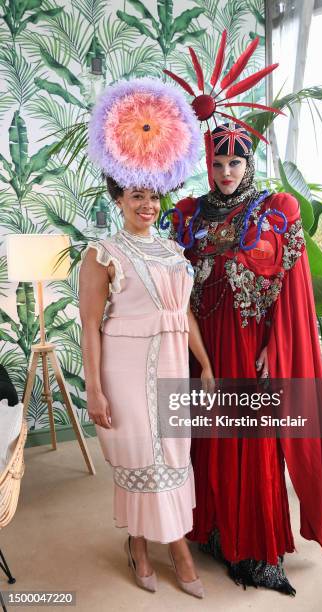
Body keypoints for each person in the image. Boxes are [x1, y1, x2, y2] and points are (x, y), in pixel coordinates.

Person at [169, 122, 322, 594]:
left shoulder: (274, 211)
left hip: (251, 347)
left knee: (252, 443)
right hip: (202, 348)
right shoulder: (188, 216)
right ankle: (212, 529)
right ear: (207, 167)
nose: (226, 172)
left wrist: (277, 344)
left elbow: (294, 289)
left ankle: (253, 548)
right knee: (207, 440)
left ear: (248, 164)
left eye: (234, 163)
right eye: (217, 163)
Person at [79, 77, 213, 598]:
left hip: (174, 365)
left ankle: (154, 542)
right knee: (141, 455)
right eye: (137, 195)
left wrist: (202, 363)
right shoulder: (101, 254)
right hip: (126, 368)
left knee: (174, 456)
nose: (147, 205)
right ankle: (154, 546)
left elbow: (184, 315)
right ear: (119, 197)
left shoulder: (173, 251)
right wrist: (93, 389)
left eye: (154, 196)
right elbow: (90, 325)